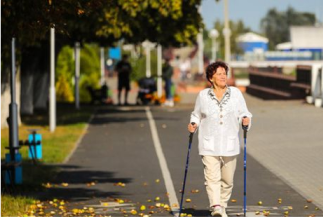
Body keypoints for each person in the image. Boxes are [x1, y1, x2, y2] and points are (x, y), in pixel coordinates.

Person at [187, 61, 252, 217]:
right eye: (219, 74)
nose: (223, 76)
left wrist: (245, 120)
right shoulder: (203, 95)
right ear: (211, 77)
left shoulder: (235, 93)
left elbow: (245, 112)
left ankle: (222, 206)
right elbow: (196, 114)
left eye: (224, 73)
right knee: (212, 177)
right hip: (209, 143)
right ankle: (216, 207)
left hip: (230, 144)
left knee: (227, 181)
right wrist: (193, 124)